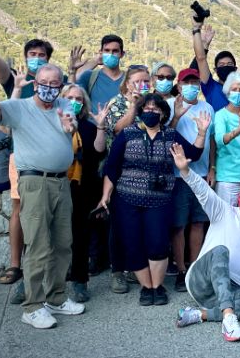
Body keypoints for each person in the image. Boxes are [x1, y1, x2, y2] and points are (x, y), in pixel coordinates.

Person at [0, 57, 85, 329]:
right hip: (34, 182)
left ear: (61, 86)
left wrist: (71, 127)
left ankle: (56, 298)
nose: (49, 88)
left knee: (63, 243)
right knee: (39, 245)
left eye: (55, 84)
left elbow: (70, 123)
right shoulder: (19, 108)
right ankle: (32, 306)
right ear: (35, 83)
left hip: (61, 183)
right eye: (44, 83)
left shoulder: (65, 104)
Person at [0, 9, 53, 284]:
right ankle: (16, 265)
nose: (36, 59)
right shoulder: (16, 81)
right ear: (26, 58)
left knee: (52, 211)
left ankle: (49, 263)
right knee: (18, 209)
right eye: (33, 55)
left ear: (48, 60)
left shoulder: (53, 85)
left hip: (51, 159)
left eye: (41, 56)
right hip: (22, 157)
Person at [99, 93, 207, 307]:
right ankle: (146, 288)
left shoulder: (170, 135)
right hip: (127, 199)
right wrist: (105, 195)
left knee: (157, 242)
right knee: (133, 243)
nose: (151, 113)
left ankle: (158, 287)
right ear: (140, 112)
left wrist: (202, 132)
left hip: (160, 199)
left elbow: (192, 154)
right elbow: (112, 167)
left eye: (155, 109)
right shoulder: (127, 134)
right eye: (147, 109)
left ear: (163, 113)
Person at [171, 146, 240, 343]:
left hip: (232, 288)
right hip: (201, 280)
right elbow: (202, 190)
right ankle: (228, 318)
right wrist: (185, 170)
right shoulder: (223, 210)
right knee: (220, 250)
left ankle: (199, 315)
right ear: (239, 196)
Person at [102, 64, 152, 294]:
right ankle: (117, 271)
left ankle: (135, 267)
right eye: (139, 80)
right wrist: (132, 106)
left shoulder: (148, 104)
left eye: (146, 81)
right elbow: (117, 130)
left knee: (138, 225)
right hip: (120, 172)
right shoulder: (117, 103)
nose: (143, 84)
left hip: (143, 173)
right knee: (118, 225)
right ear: (128, 82)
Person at [61, 83, 109, 303]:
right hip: (58, 185)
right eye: (70, 97)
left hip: (84, 188)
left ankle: (80, 281)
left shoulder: (88, 127)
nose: (74, 101)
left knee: (80, 237)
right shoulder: (52, 123)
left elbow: (99, 151)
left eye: (79, 98)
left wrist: (100, 127)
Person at [169, 68, 214, 292]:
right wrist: (176, 116)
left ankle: (193, 267)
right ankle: (180, 269)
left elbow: (212, 140)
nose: (191, 86)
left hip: (202, 173)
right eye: (187, 82)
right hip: (178, 177)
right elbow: (165, 135)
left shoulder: (207, 108)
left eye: (195, 82)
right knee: (178, 225)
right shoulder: (170, 106)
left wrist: (212, 167)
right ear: (178, 85)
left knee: (198, 222)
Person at [191, 15, 240, 112]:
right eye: (221, 65)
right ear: (215, 70)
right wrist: (200, 36)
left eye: (229, 64)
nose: (225, 67)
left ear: (235, 68)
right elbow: (201, 58)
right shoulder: (210, 86)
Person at [210, 72, 240, 205]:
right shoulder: (220, 115)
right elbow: (219, 140)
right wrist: (237, 131)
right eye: (234, 89)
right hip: (228, 178)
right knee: (227, 218)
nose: (238, 93)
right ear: (228, 92)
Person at [75, 34, 126, 112]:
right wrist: (72, 70)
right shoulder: (90, 77)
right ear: (101, 52)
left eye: (115, 51)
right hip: (93, 124)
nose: (110, 54)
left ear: (122, 54)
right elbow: (71, 89)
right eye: (107, 50)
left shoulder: (129, 79)